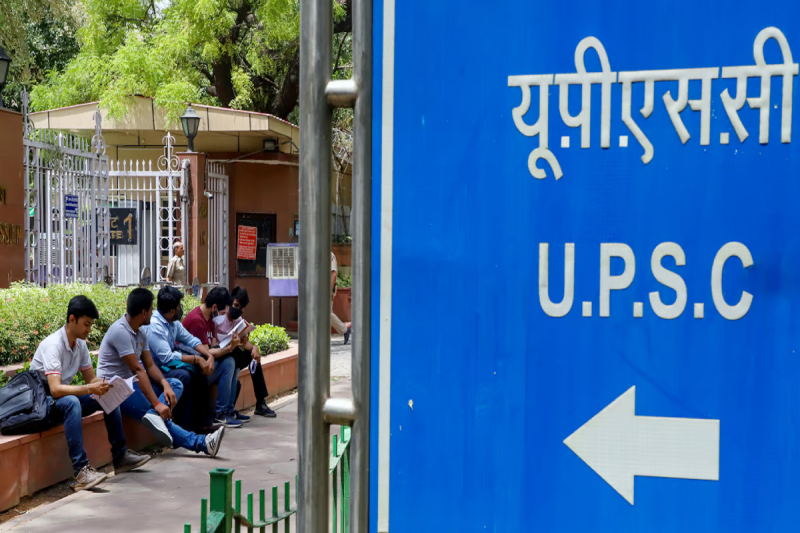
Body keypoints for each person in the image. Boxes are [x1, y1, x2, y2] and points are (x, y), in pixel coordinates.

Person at [30, 296, 151, 491]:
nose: (89, 330)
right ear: (72, 319)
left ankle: (120, 456)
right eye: (86, 324)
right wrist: (89, 389)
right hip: (43, 405)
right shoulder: (53, 345)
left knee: (107, 397)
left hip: (59, 399)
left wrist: (107, 385)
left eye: (91, 325)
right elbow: (56, 389)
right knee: (72, 402)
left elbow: (91, 379)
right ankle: (81, 472)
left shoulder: (80, 345)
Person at [96, 288, 225, 457]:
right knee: (155, 414)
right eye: (151, 309)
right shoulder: (120, 331)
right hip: (115, 388)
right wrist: (157, 404)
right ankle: (202, 443)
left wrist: (165, 384)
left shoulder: (141, 331)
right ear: (144, 312)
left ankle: (156, 416)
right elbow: (138, 369)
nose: (153, 312)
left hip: (133, 383)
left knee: (175, 384)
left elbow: (149, 366)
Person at [146, 286, 241, 430]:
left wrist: (208, 355)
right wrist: (197, 359)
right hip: (156, 370)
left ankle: (204, 423)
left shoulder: (173, 323)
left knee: (198, 372)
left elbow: (191, 340)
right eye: (178, 307)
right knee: (186, 376)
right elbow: (167, 357)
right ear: (171, 311)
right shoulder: (155, 326)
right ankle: (186, 426)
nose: (180, 309)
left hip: (169, 366)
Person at [181, 286, 244, 428]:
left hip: (205, 364)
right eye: (222, 313)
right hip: (194, 370)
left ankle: (229, 410)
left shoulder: (209, 318)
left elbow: (214, 345)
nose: (222, 316)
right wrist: (229, 348)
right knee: (229, 362)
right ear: (215, 307)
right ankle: (220, 413)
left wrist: (232, 344)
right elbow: (206, 352)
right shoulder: (197, 321)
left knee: (232, 361)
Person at [224, 287, 277, 418]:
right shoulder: (221, 318)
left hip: (232, 355)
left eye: (241, 308)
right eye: (236, 305)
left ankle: (261, 403)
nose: (238, 309)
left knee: (254, 357)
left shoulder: (238, 321)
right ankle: (227, 411)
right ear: (230, 302)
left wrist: (254, 348)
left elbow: (245, 343)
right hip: (222, 357)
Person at [331, 251, 351, 345]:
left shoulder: (330, 255)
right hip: (320, 289)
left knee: (327, 313)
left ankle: (345, 330)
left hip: (327, 289)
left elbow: (334, 274)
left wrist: (330, 290)